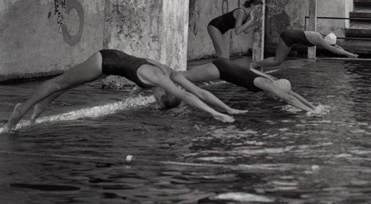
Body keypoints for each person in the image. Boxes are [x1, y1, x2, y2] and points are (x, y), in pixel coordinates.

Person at [3, 49, 246, 131]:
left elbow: (199, 91)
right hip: (105, 61)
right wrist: (213, 114)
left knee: (71, 83)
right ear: (163, 93)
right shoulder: (159, 79)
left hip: (114, 64)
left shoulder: (170, 73)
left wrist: (227, 108)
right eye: (158, 100)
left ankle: (41, 104)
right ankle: (20, 110)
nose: (154, 99)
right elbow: (186, 95)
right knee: (59, 82)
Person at [181, 59, 317, 112]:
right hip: (220, 70)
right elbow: (289, 99)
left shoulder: (273, 80)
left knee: (184, 76)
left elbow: (292, 94)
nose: (277, 98)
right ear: (275, 89)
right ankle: (166, 78)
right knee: (183, 76)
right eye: (277, 96)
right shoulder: (265, 83)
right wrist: (310, 112)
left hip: (225, 65)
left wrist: (313, 107)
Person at [250, 30, 358, 69]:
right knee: (277, 60)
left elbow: (336, 47)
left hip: (290, 38)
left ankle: (257, 66)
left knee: (279, 60)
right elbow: (334, 50)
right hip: (288, 37)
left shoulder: (323, 36)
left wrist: (350, 53)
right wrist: (349, 55)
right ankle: (254, 65)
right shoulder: (319, 39)